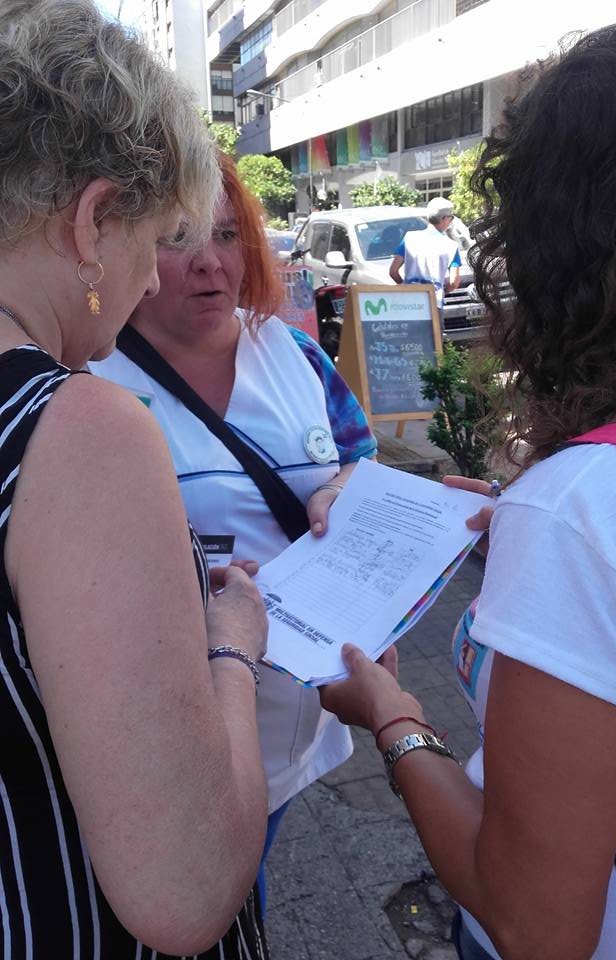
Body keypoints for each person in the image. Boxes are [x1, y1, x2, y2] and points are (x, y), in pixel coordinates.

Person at [321, 18, 616, 960]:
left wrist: (394, 717)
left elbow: (536, 924)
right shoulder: (615, 502)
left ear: (553, 244)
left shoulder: (586, 512)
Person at [0, 2, 270, 957]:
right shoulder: (79, 431)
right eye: (155, 238)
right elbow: (186, 889)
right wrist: (230, 646)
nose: (154, 280)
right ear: (91, 222)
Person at [90, 152, 378, 910]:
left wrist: (343, 490)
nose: (209, 264)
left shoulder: (296, 354)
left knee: (247, 872)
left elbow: (360, 456)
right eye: (177, 238)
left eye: (225, 235)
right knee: (193, 895)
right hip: (169, 724)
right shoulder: (89, 381)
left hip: (301, 710)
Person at [389, 197, 461, 318]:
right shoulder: (451, 246)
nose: (450, 221)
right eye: (451, 218)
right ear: (444, 219)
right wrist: (444, 291)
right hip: (434, 303)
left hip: (410, 303)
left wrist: (405, 286)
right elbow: (454, 281)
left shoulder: (409, 238)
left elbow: (393, 271)